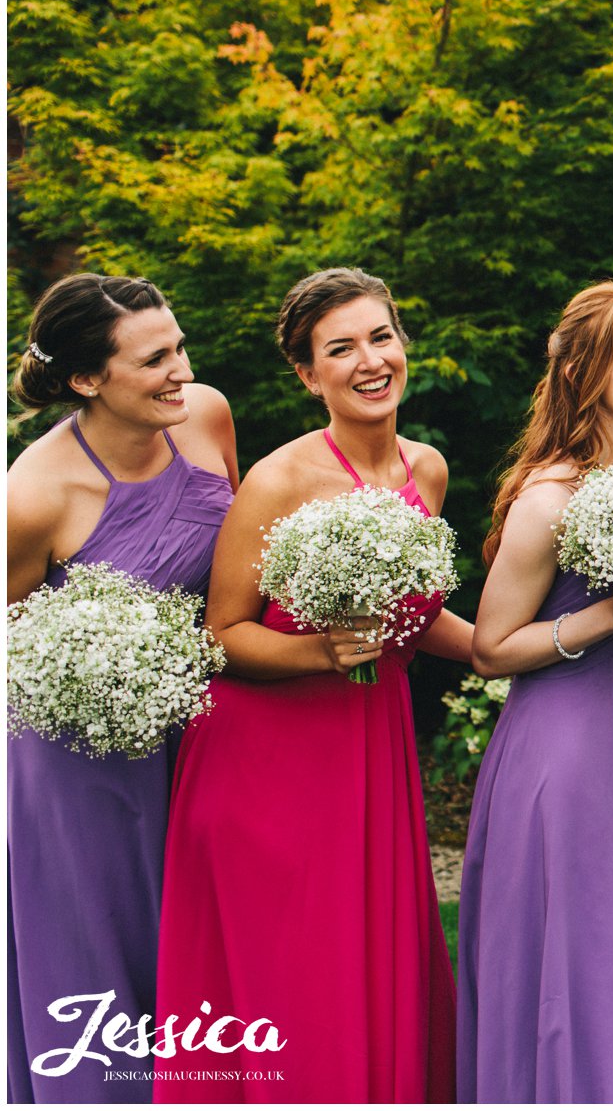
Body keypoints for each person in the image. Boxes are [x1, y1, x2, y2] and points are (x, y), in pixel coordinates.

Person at [153, 268, 471, 1101]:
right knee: (297, 975)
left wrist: (505, 649)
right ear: (308, 373)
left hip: (370, 743)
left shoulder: (426, 470)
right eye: (341, 348)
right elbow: (222, 635)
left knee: (367, 959)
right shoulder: (280, 480)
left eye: (380, 337)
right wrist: (322, 653)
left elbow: (411, 618)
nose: (369, 361)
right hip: (267, 761)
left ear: (403, 344)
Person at [457, 282, 613, 1102]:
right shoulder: (551, 495)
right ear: (586, 371)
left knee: (610, 947)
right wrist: (604, 618)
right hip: (560, 752)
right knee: (574, 952)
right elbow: (492, 648)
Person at [6, 274, 237, 1102]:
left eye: (178, 346)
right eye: (155, 360)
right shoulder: (33, 494)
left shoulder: (205, 416)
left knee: (203, 960)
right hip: (81, 767)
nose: (182, 369)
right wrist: (94, 668)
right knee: (107, 968)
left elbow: (233, 569)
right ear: (85, 380)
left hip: (201, 735)